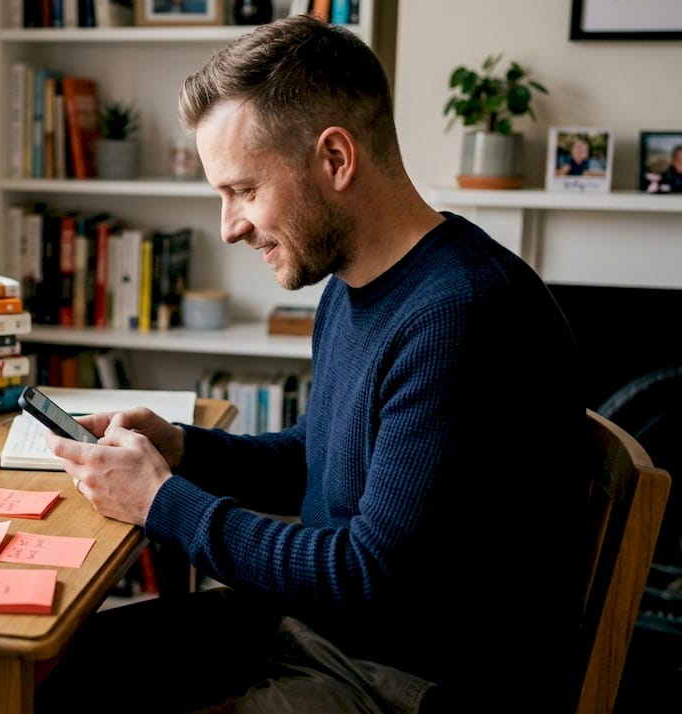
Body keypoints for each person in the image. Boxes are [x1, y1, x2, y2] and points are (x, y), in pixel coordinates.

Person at [34, 14, 588, 714]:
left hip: (409, 678)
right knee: (47, 674)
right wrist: (183, 448)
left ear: (334, 159)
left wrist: (159, 502)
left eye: (243, 190)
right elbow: (321, 456)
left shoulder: (463, 316)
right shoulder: (357, 283)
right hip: (323, 629)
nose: (230, 226)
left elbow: (370, 573)